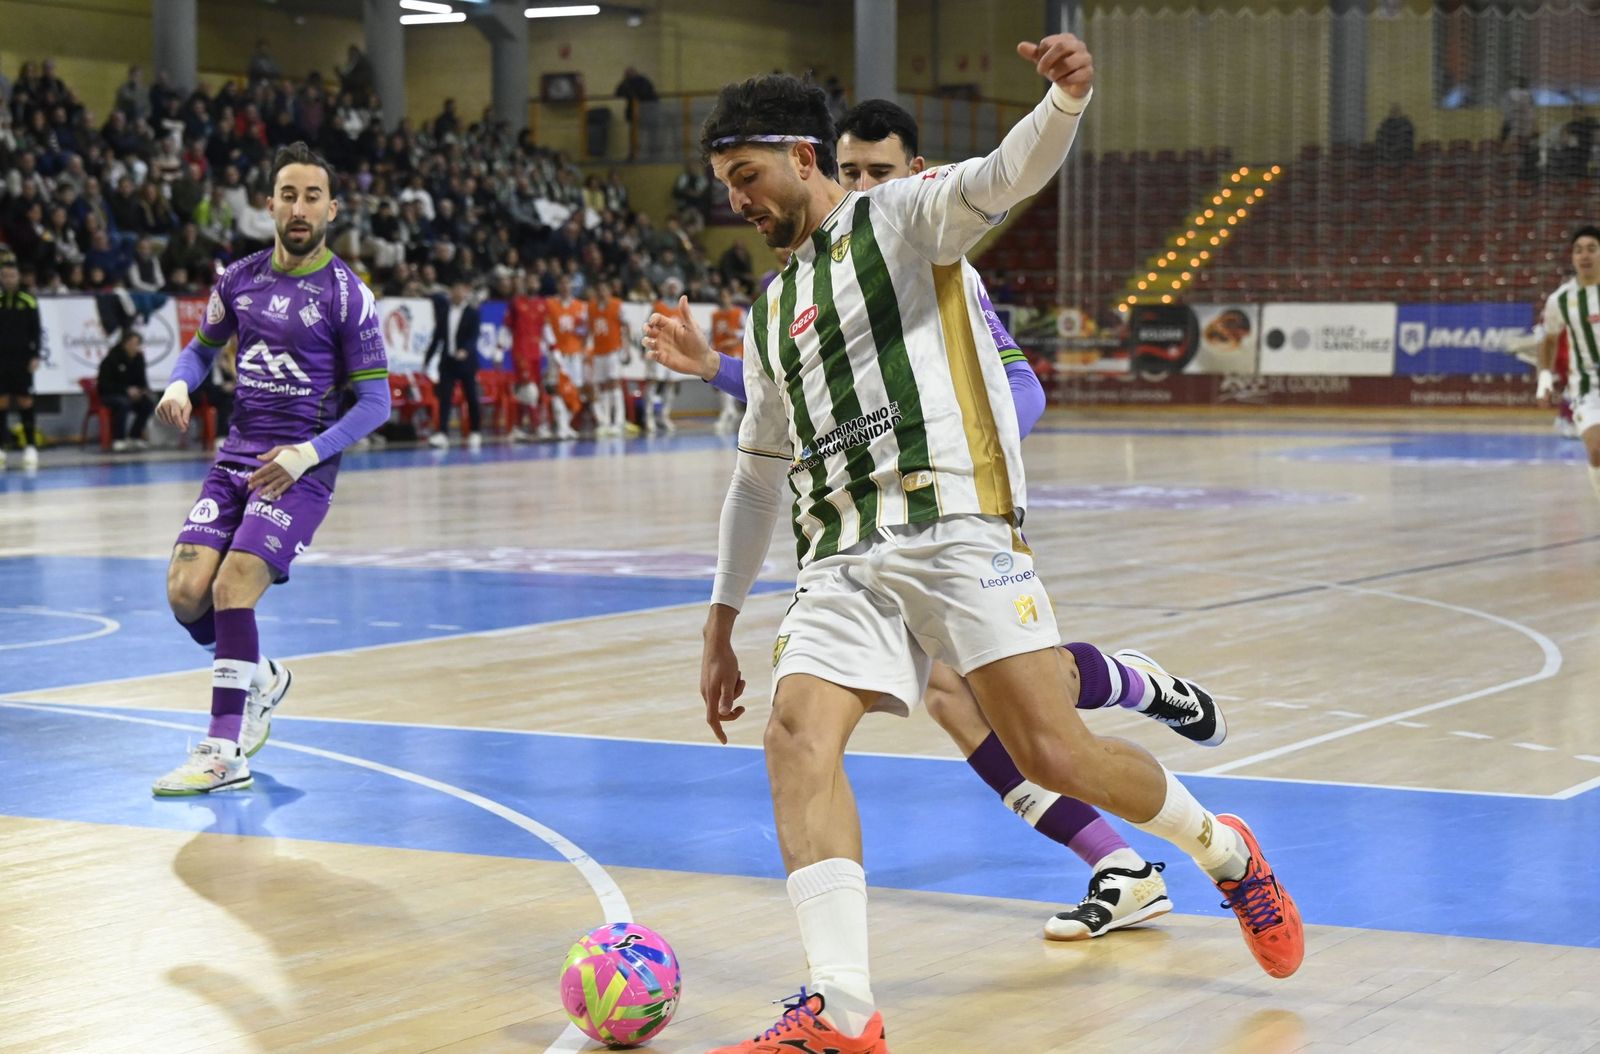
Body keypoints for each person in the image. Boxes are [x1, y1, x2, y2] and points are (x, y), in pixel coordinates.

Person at [645, 43, 1303, 1054]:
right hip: (840, 556)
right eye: (725, 182)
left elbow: (1006, 172)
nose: (735, 198)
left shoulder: (903, 216)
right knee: (795, 736)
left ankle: (1223, 851)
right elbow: (756, 469)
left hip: (954, 524)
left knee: (1053, 751)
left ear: (799, 153)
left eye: (746, 175)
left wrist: (1066, 99)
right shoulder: (769, 308)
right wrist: (720, 619)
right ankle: (843, 1011)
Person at [151, 141, 391, 795]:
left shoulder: (347, 296)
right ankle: (262, 676)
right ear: (270, 205)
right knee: (183, 591)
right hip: (235, 460)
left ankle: (224, 750)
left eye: (313, 196)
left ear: (332, 209)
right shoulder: (239, 279)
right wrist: (179, 385)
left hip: (301, 470)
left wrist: (307, 454)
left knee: (232, 587)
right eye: (288, 194)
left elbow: (377, 402)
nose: (299, 207)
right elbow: (200, 351)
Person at [1537, 225, 1600, 500]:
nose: (1584, 255)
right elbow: (1549, 340)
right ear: (1572, 258)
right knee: (1597, 449)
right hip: (1587, 388)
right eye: (1578, 250)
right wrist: (1544, 381)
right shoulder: (1560, 299)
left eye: (1591, 249)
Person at [426, 279, 483, 451]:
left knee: (471, 396)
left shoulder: (472, 313)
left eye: (461, 289)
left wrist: (465, 350)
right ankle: (442, 432)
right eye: (454, 288)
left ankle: (475, 431)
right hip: (448, 361)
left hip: (466, 362)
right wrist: (427, 358)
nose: (457, 292)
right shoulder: (444, 312)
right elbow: (437, 338)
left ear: (465, 291)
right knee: (445, 398)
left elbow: (474, 337)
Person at [0, 256, 42, 469]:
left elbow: (36, 332)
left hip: (22, 359)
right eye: (5, 276)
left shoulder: (28, 300)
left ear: (18, 278)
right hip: (1, 360)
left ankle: (30, 446)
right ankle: (2, 448)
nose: (9, 279)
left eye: (12, 275)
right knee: (2, 402)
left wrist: (35, 356)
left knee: (25, 401)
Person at [97, 329, 156, 451]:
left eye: (138, 344)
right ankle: (118, 439)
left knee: (148, 403)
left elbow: (142, 380)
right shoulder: (111, 360)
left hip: (131, 395)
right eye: (133, 343)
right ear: (125, 344)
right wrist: (126, 390)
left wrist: (142, 390)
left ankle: (134, 436)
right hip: (110, 395)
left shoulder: (139, 359)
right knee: (123, 403)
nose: (136, 347)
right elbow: (104, 385)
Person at [546, 274, 589, 437]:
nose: (565, 287)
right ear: (558, 286)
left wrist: (583, 347)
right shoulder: (550, 304)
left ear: (571, 286)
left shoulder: (580, 306)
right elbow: (546, 327)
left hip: (575, 353)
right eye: (562, 283)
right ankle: (562, 427)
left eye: (567, 284)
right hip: (558, 354)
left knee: (575, 390)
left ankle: (565, 424)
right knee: (557, 390)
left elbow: (585, 330)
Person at [588, 279, 628, 436]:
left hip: (613, 350)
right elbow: (589, 329)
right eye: (599, 290)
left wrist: (626, 349)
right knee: (602, 385)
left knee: (614, 383)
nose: (601, 293)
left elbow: (627, 325)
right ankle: (604, 421)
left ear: (609, 292)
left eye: (604, 290)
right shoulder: (591, 307)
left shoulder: (617, 305)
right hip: (598, 351)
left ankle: (618, 421)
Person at [709, 285, 746, 434]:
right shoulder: (715, 315)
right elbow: (712, 334)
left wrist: (735, 334)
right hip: (720, 351)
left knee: (731, 381)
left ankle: (728, 412)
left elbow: (748, 331)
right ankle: (729, 411)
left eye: (726, 295)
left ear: (731, 297)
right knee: (721, 384)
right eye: (721, 296)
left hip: (735, 351)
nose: (724, 299)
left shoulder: (739, 312)